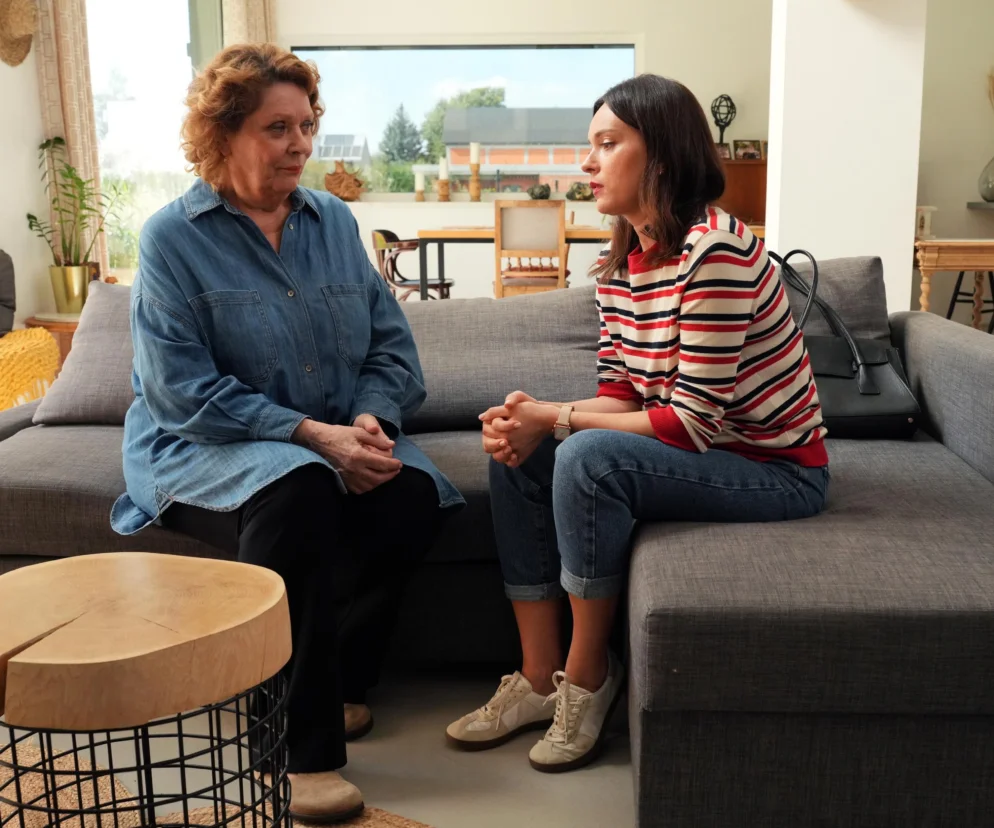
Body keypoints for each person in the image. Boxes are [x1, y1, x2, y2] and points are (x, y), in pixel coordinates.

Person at [110, 43, 463, 822]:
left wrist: (368, 421)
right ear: (222, 134)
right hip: (203, 447)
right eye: (277, 128)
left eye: (306, 126)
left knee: (414, 497)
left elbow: (391, 349)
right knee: (300, 491)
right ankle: (299, 750)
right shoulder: (172, 239)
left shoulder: (333, 221)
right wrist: (311, 436)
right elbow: (180, 393)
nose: (300, 144)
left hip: (330, 434)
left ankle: (339, 681)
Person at [446, 74, 829, 772]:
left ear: (661, 154)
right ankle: (537, 677)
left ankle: (589, 677)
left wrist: (557, 419)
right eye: (589, 145)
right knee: (521, 451)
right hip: (710, 446)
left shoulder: (715, 252)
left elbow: (691, 425)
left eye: (606, 144)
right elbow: (622, 395)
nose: (586, 163)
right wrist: (529, 421)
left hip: (775, 470)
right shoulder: (620, 264)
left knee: (583, 455)